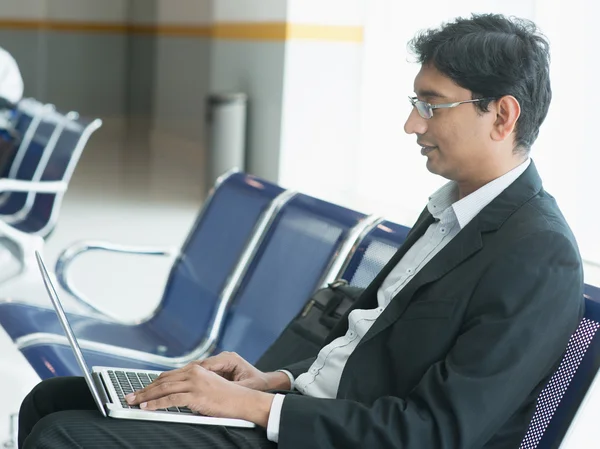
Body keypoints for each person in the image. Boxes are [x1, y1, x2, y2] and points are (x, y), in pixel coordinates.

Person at [18, 13, 584, 449]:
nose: (411, 124)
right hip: (304, 409)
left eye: (432, 106)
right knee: (53, 400)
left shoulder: (537, 254)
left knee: (63, 434)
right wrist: (275, 382)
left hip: (323, 437)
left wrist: (254, 410)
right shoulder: (452, 210)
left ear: (502, 116)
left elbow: (432, 432)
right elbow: (370, 353)